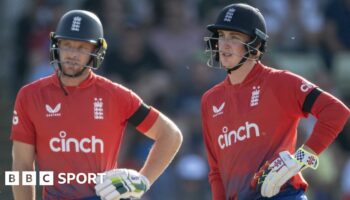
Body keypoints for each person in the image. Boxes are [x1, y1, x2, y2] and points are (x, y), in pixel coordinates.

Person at [10, 10, 183, 200]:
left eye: (82, 48)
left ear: (96, 52)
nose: (72, 54)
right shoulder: (30, 96)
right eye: (66, 45)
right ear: (56, 46)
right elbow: (22, 165)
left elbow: (171, 135)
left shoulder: (115, 96)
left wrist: (143, 180)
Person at [201, 3, 349, 200]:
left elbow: (336, 112)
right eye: (221, 36)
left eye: (234, 37)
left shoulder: (280, 82)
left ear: (255, 45)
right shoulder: (210, 100)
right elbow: (216, 172)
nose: (224, 44)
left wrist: (301, 159)